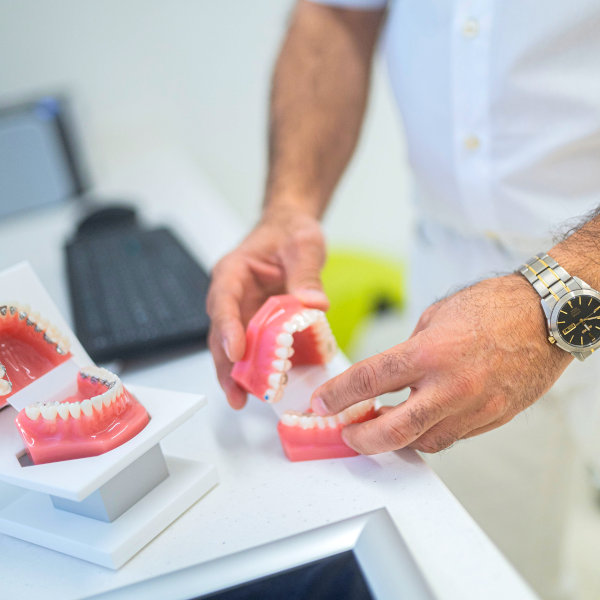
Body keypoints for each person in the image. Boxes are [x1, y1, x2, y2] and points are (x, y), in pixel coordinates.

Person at [207, 2, 600, 598]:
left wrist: (553, 299)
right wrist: (289, 204)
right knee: (478, 571)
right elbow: (335, 14)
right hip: (454, 290)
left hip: (576, 280)